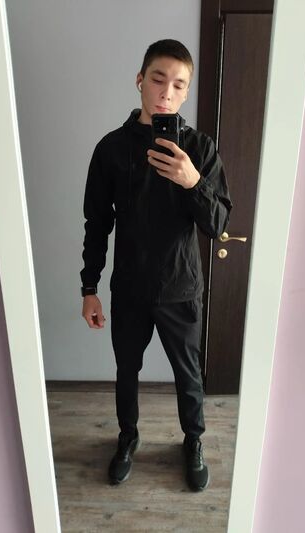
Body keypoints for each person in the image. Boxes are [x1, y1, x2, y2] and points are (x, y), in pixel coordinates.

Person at [80, 39, 233, 492]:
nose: (167, 92)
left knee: (189, 375)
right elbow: (96, 223)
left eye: (178, 85)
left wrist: (193, 181)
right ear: (140, 80)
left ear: (186, 92)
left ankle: (193, 440)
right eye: (158, 79)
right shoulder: (110, 149)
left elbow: (218, 223)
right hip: (128, 287)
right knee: (126, 370)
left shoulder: (200, 149)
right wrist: (89, 287)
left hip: (181, 288)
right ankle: (127, 437)